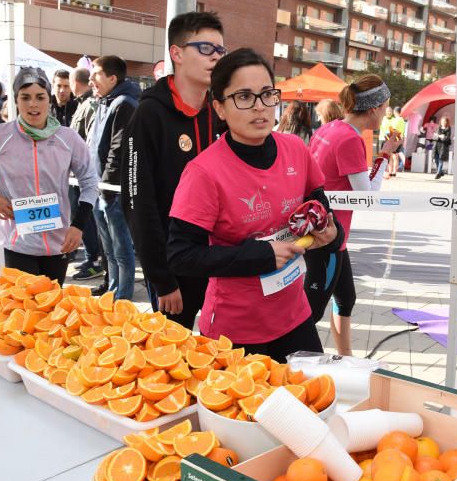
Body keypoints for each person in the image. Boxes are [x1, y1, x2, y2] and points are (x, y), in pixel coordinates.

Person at [168, 48, 341, 362]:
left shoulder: (296, 150)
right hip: (234, 332)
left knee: (310, 407)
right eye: (244, 97)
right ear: (219, 107)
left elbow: (320, 208)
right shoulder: (204, 172)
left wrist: (332, 233)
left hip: (295, 319)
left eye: (266, 95)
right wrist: (261, 255)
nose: (260, 107)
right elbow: (181, 256)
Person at [124, 11, 225, 329]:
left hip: (218, 261)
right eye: (206, 48)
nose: (216, 58)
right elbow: (137, 201)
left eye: (221, 50)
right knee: (172, 353)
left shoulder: (220, 111)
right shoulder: (149, 114)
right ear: (177, 53)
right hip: (173, 266)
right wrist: (160, 277)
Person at [0, 68, 98, 283]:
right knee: (23, 311)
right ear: (15, 100)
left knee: (51, 308)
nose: (33, 104)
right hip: (16, 243)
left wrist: (78, 225)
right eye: (25, 97)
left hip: (58, 243)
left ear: (48, 100)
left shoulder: (68, 138)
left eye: (40, 97)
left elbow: (89, 180)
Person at [305, 74, 398, 356]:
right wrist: (384, 155)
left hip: (325, 232)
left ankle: (346, 359)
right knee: (312, 310)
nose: (386, 114)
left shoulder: (330, 128)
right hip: (327, 238)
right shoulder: (349, 139)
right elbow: (367, 196)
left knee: (346, 298)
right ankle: (295, 365)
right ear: (373, 109)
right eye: (385, 108)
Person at [88, 55, 140, 299]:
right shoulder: (105, 101)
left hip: (113, 191)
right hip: (100, 188)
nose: (90, 80)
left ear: (112, 77)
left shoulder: (124, 103)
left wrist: (107, 189)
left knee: (121, 250)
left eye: (95, 74)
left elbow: (118, 150)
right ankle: (112, 293)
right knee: (109, 250)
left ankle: (123, 300)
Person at [66, 66, 103, 281]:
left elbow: (89, 141)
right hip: (77, 172)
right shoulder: (81, 104)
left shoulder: (90, 104)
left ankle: (94, 258)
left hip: (84, 172)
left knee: (86, 217)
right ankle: (92, 257)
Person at [379, 106, 406, 177]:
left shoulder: (396, 119)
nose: (390, 113)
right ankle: (390, 171)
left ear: (394, 112)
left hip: (394, 138)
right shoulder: (401, 120)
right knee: (390, 155)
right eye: (388, 111)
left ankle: (392, 171)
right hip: (391, 138)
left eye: (391, 111)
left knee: (393, 156)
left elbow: (393, 130)